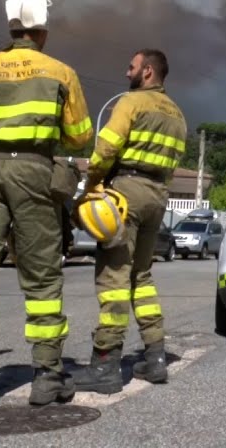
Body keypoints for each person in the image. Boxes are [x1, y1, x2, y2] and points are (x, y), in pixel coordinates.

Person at [0, 0, 93, 418]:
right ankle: (47, 377)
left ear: (11, 30)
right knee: (42, 277)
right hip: (33, 170)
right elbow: (80, 136)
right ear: (41, 32)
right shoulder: (60, 72)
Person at [73, 49, 187, 394]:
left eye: (132, 67)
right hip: (157, 196)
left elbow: (106, 149)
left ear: (148, 71)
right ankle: (155, 357)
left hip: (126, 193)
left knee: (114, 278)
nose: (127, 73)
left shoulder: (132, 102)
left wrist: (92, 184)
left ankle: (105, 364)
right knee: (142, 277)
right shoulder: (177, 114)